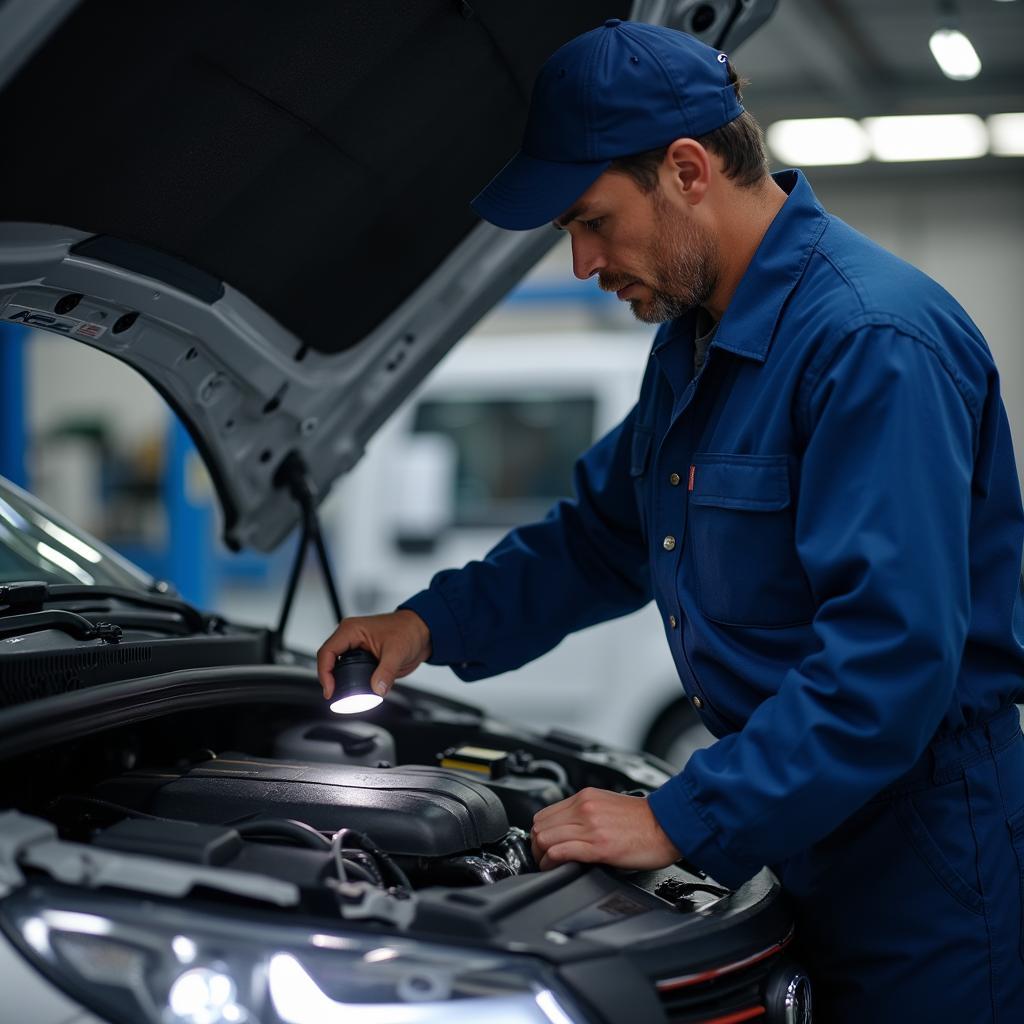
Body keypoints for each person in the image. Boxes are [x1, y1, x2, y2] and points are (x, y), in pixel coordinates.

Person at [318, 19, 1024, 1021]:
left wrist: (678, 814)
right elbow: (602, 537)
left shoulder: (870, 341)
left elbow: (888, 660)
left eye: (592, 220)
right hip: (795, 823)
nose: (581, 262)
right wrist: (426, 626)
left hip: (917, 864)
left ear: (688, 169)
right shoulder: (695, 342)